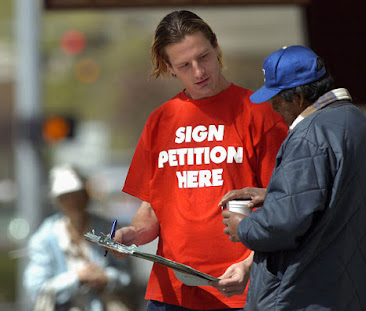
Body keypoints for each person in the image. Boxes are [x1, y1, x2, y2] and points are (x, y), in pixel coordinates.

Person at [110, 10, 288, 311]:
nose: (198, 72)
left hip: (241, 291)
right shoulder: (160, 121)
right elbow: (153, 208)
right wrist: (131, 235)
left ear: (216, 48)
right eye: (184, 65)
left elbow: (283, 204)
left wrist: (248, 265)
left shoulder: (259, 113)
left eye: (203, 57)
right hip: (171, 293)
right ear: (169, 67)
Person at [218, 45, 366, 310]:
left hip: (303, 296)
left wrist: (243, 226)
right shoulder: (362, 126)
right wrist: (274, 194)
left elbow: (285, 223)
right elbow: (343, 195)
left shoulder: (309, 135)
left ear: (299, 97)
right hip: (354, 293)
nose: (273, 105)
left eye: (277, 97)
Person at [24, 164, 133, 311]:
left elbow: (127, 273)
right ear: (58, 201)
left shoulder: (108, 230)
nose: (73, 202)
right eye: (66, 198)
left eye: (77, 195)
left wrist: (106, 278)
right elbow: (36, 287)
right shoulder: (44, 238)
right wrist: (77, 278)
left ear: (86, 196)